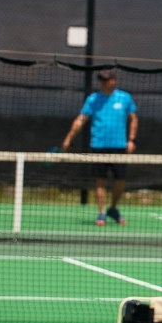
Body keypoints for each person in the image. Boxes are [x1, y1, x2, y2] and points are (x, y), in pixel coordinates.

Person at [61, 69, 138, 226]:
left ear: (114, 80)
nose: (104, 82)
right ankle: (101, 212)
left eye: (107, 79)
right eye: (101, 80)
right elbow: (81, 119)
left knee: (120, 180)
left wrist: (131, 140)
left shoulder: (124, 98)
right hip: (99, 145)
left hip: (119, 146)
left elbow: (133, 119)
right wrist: (68, 138)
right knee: (100, 181)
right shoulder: (93, 99)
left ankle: (113, 208)